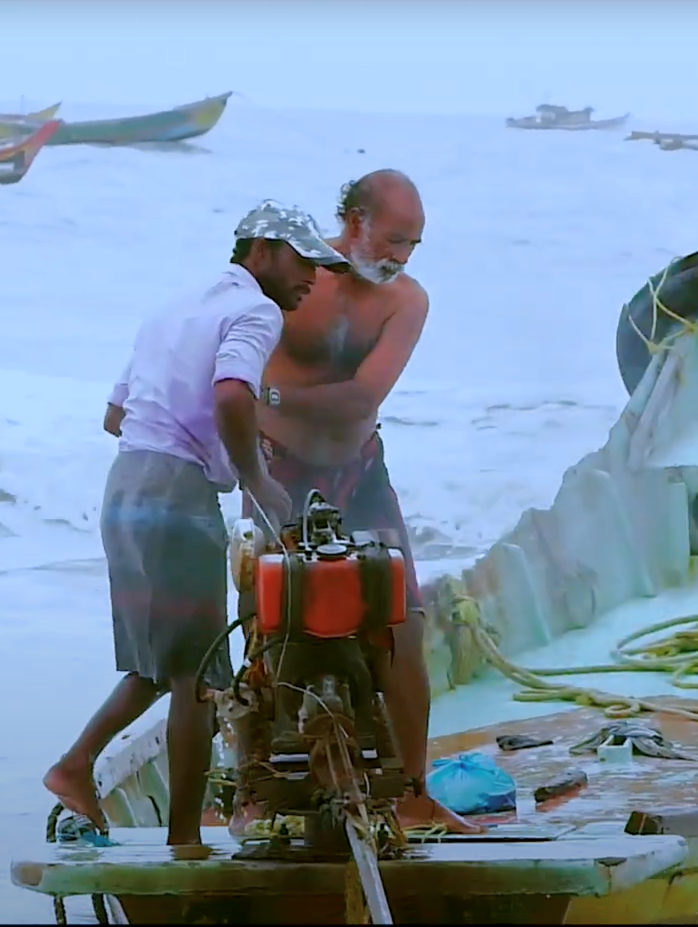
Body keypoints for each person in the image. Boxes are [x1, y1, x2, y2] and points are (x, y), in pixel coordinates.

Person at [44, 200, 352, 845]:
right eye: (302, 261)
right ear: (259, 251)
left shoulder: (174, 310)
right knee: (202, 681)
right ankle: (184, 841)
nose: (313, 278)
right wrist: (255, 477)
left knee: (162, 668)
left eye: (321, 266)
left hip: (126, 489)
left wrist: (207, 441)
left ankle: (76, 766)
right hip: (176, 499)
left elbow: (115, 416)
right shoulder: (255, 310)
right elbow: (232, 392)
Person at [235, 170, 482, 835]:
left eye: (414, 244)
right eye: (394, 238)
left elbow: (361, 397)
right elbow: (230, 355)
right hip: (276, 470)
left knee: (404, 620)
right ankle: (251, 791)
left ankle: (413, 787)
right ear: (352, 220)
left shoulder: (407, 301)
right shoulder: (292, 275)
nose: (401, 255)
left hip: (358, 471)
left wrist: (274, 398)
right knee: (264, 620)